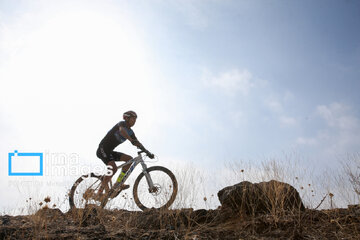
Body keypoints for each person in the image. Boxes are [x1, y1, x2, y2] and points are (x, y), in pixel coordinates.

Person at [95, 110, 148, 200]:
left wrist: (147, 151)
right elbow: (122, 131)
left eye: (136, 119)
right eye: (133, 119)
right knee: (113, 168)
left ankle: (118, 183)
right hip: (102, 149)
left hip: (110, 151)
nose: (134, 121)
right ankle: (98, 193)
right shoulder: (121, 124)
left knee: (129, 160)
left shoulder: (131, 132)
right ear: (126, 118)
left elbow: (137, 142)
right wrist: (131, 140)